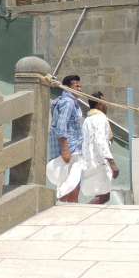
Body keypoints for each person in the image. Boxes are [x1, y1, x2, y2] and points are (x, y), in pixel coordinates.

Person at [49, 74, 84, 202]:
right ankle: (66, 210)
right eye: (77, 86)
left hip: (73, 148)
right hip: (70, 149)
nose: (80, 89)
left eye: (80, 86)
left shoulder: (71, 102)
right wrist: (65, 149)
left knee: (70, 183)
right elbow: (61, 126)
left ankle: (69, 210)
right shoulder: (68, 102)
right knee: (71, 185)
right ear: (68, 87)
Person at [80, 92, 119, 204]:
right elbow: (100, 141)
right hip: (100, 163)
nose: (106, 105)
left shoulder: (88, 120)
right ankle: (82, 215)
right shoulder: (100, 118)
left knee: (101, 195)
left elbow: (96, 141)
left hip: (90, 162)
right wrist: (112, 163)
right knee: (104, 196)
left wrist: (109, 142)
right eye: (104, 102)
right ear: (98, 104)